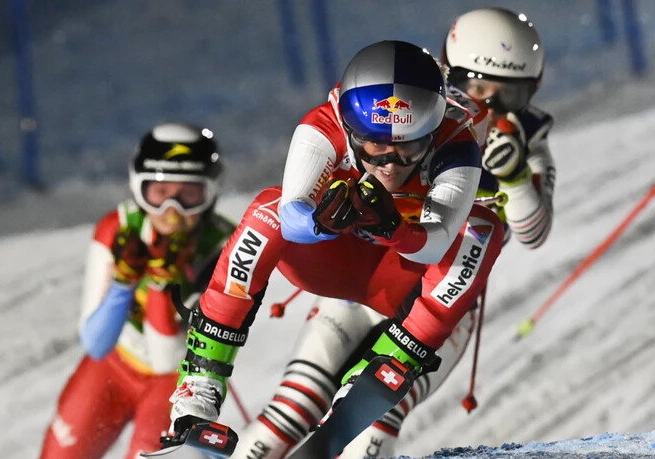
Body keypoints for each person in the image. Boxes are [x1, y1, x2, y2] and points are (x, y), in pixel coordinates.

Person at [230, 7, 556, 458]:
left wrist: (516, 176)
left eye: (510, 95)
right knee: (290, 410)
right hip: (362, 281)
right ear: (447, 77)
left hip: (435, 298)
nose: (489, 107)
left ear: (531, 93)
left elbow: (534, 233)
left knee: (376, 416)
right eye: (476, 87)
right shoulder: (411, 112)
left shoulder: (527, 140)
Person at [164, 39, 505, 455]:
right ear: (348, 127)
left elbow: (437, 246)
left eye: (409, 146)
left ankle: (390, 366)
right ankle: (200, 384)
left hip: (408, 285)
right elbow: (289, 216)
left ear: (434, 129)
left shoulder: (458, 143)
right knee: (266, 210)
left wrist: (396, 230)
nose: (390, 162)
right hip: (341, 268)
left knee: (483, 229)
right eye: (374, 144)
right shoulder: (322, 126)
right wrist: (320, 222)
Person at [39, 123, 234, 459]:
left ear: (210, 192)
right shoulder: (117, 229)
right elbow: (97, 344)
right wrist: (124, 283)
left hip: (177, 382)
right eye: (159, 194)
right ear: (138, 189)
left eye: (188, 195)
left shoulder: (224, 250)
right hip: (115, 364)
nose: (172, 212)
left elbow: (165, 361)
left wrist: (160, 284)